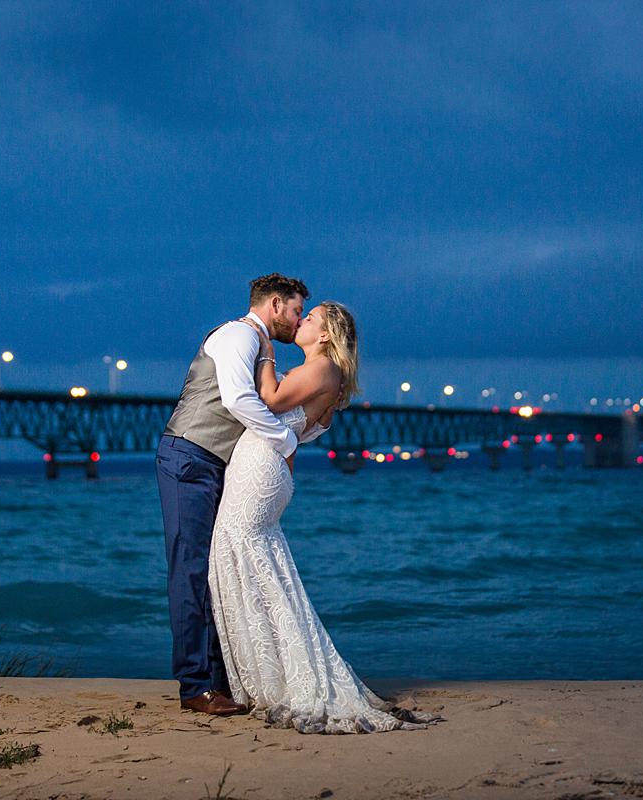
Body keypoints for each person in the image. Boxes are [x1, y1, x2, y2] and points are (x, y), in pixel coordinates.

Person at [209, 302, 436, 734]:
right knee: (253, 560)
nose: (301, 322)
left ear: (327, 334)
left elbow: (270, 400)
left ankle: (272, 675)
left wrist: (264, 351)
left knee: (245, 555)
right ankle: (267, 670)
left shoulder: (321, 370)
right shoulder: (325, 374)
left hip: (261, 466)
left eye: (309, 318)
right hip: (267, 467)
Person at [156, 273, 307, 715]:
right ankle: (195, 687)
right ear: (275, 304)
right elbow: (240, 399)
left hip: (212, 463)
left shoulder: (261, 347)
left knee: (216, 570)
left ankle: (221, 681)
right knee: (190, 571)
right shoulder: (238, 334)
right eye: (296, 311)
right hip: (189, 458)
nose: (298, 322)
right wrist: (286, 441)